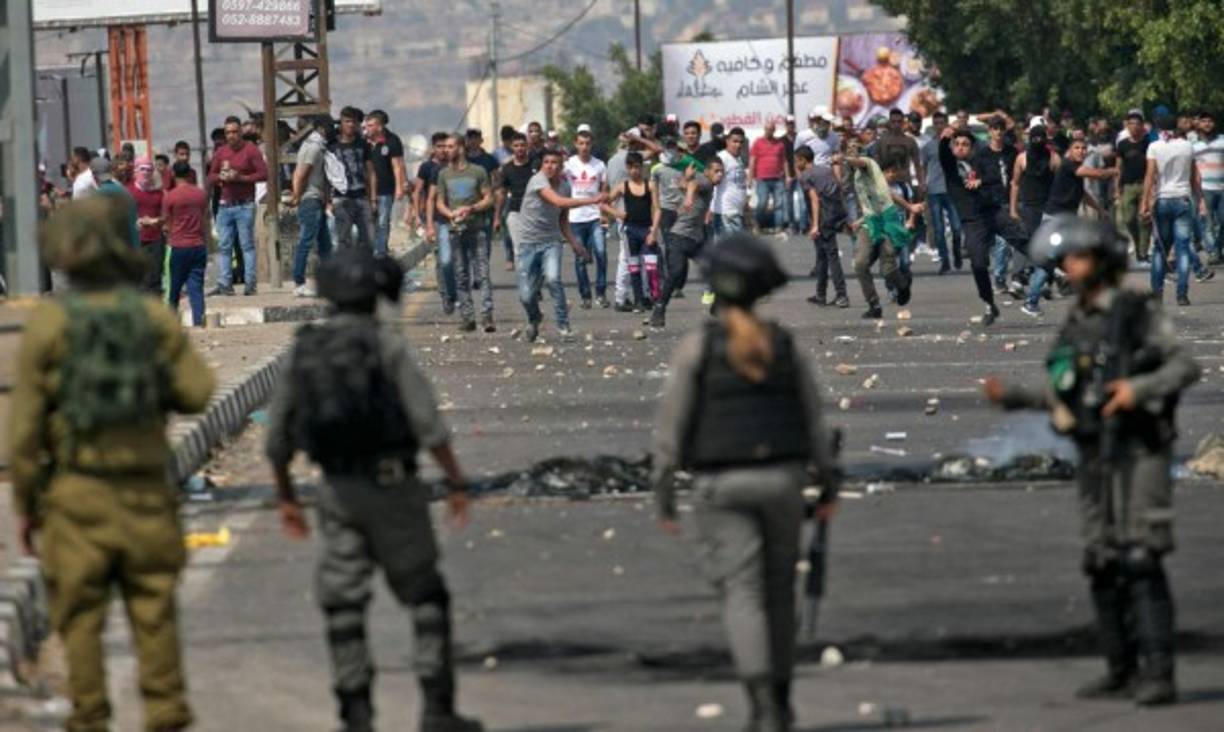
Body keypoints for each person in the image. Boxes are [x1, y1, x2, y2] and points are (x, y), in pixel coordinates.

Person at [10, 195, 215, 732]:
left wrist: (27, 507)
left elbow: (25, 432)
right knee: (153, 612)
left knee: (79, 619)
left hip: (75, 496)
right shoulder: (150, 317)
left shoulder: (49, 326)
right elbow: (197, 392)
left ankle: (91, 716)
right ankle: (166, 714)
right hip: (146, 492)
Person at [984, 215, 1200, 708]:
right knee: (1101, 558)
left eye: (1078, 258)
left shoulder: (1133, 311)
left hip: (1138, 448)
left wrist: (1136, 389)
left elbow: (1184, 365)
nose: (1069, 266)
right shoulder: (1077, 321)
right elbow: (1068, 390)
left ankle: (1159, 673)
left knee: (1141, 557)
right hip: (1093, 449)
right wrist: (1013, 396)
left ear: (1102, 262)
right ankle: (1120, 667)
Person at [265, 249, 483, 732]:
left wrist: (286, 498)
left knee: (343, 603)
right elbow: (429, 424)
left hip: (337, 493)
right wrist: (456, 482)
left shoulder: (305, 348)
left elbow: (277, 440)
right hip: (394, 489)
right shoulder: (387, 345)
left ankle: (355, 713)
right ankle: (437, 710)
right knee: (425, 594)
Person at [652, 234, 839, 732]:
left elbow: (671, 429)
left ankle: (761, 705)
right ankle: (781, 698)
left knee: (743, 592)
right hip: (784, 479)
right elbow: (813, 420)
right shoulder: (783, 344)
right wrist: (829, 483)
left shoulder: (698, 347)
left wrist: (663, 492)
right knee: (780, 590)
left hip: (721, 483)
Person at [939, 124, 1028, 325]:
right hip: (972, 221)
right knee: (978, 263)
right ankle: (989, 304)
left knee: (1023, 239)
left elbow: (996, 178)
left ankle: (1052, 270)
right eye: (958, 144)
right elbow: (944, 155)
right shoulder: (951, 168)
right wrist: (945, 140)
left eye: (965, 144)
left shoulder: (980, 161)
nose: (961, 147)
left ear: (971, 148)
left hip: (992, 212)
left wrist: (982, 181)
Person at [1019, 137, 1119, 316]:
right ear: (1070, 151)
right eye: (1077, 148)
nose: (1081, 151)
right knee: (1060, 258)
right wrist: (1114, 170)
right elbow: (1096, 174)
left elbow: (1082, 194)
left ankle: (1037, 294)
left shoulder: (1074, 170)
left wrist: (1100, 210)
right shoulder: (1068, 165)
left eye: (1083, 148)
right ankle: (1034, 292)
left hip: (1064, 220)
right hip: (1055, 220)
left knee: (1054, 261)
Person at [515, 149, 601, 342]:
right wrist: (593, 200)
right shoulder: (538, 181)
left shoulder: (564, 186)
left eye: (555, 162)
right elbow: (558, 201)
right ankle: (534, 318)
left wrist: (574, 243)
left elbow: (563, 219)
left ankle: (563, 326)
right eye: (546, 162)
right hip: (528, 243)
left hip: (551, 242)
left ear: (561, 167)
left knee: (554, 280)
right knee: (526, 295)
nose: (550, 166)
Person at [1142, 114, 1210, 306]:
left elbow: (1149, 176)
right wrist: (1200, 200)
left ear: (1157, 128)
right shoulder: (1187, 146)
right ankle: (1182, 294)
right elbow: (1195, 177)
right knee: (1182, 249)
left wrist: (1144, 202)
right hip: (1183, 200)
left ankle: (1156, 294)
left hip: (1163, 200)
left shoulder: (1154, 147)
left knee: (1159, 249)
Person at [844, 137, 916, 319]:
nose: (852, 151)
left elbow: (856, 161)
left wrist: (910, 208)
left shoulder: (868, 163)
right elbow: (886, 196)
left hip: (887, 222)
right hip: (870, 223)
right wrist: (859, 221)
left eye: (856, 148)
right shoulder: (857, 176)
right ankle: (874, 305)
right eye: (849, 148)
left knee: (887, 269)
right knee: (860, 264)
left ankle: (902, 284)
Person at [650, 158, 724, 329]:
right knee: (675, 273)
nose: (719, 175)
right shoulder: (705, 181)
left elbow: (683, 184)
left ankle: (718, 304)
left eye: (722, 171)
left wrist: (686, 179)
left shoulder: (705, 181)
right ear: (707, 171)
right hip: (679, 237)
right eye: (716, 171)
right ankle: (659, 308)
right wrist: (689, 195)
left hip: (695, 239)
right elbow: (693, 186)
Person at [434, 134, 495, 333]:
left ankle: (487, 316)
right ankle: (468, 318)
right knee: (460, 275)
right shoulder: (444, 174)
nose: (446, 150)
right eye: (444, 147)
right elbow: (439, 202)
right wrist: (450, 213)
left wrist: (472, 208)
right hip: (455, 231)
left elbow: (489, 198)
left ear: (460, 148)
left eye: (450, 146)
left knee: (482, 274)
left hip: (476, 229)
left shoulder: (478, 171)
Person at [207, 115, 268, 296]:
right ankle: (225, 283)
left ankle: (250, 283)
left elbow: (264, 174)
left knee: (246, 245)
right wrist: (221, 178)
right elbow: (211, 175)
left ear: (240, 132)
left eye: (234, 132)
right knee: (224, 246)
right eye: (228, 133)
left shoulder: (251, 150)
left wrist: (241, 178)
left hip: (245, 205)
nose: (231, 136)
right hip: (225, 205)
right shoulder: (221, 152)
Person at [796, 146, 849, 307]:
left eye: (796, 160)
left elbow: (814, 200)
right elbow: (838, 186)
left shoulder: (806, 176)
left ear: (803, 160)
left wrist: (814, 225)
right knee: (821, 256)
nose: (795, 163)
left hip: (823, 218)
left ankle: (842, 295)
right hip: (834, 214)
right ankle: (821, 294)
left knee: (831, 256)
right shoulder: (825, 170)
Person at [603, 151, 655, 311]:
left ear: (642, 167)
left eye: (638, 167)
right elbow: (604, 203)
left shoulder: (650, 185)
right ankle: (631, 299)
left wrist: (654, 228)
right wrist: (617, 214)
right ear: (627, 168)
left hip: (646, 229)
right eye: (631, 167)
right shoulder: (623, 186)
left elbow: (656, 207)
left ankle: (651, 297)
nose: (635, 171)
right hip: (629, 229)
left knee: (650, 264)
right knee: (631, 264)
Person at [289, 115, 334, 298]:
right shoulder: (314, 148)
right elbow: (300, 175)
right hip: (310, 199)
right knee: (306, 241)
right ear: (321, 128)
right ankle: (299, 282)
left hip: (317, 199)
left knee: (325, 244)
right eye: (330, 127)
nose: (332, 130)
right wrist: (298, 197)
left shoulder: (318, 146)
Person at [564, 129, 610, 309]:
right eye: (581, 143)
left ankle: (601, 292)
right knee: (580, 257)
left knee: (600, 253)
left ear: (592, 145)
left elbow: (604, 190)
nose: (584, 147)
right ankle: (585, 296)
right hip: (575, 218)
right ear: (575, 144)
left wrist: (604, 213)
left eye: (587, 143)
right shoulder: (568, 165)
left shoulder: (599, 165)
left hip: (594, 216)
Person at [162, 161, 210, 327]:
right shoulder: (200, 194)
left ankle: (170, 324)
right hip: (198, 245)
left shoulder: (170, 196)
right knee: (196, 288)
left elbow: (167, 222)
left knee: (174, 289)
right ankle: (199, 321)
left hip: (179, 247)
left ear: (173, 174)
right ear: (190, 174)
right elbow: (204, 216)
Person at [330, 106, 378, 251]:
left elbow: (371, 172)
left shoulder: (362, 144)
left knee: (368, 239)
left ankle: (366, 271)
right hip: (341, 199)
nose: (350, 125)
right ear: (341, 123)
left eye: (354, 122)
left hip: (361, 198)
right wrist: (327, 200)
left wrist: (373, 200)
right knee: (343, 241)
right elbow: (326, 174)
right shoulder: (332, 146)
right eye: (347, 121)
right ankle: (345, 272)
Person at [921, 111, 963, 272]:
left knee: (957, 227)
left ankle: (957, 253)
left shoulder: (955, 143)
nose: (939, 126)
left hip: (952, 190)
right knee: (938, 229)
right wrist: (923, 183)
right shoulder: (928, 146)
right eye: (936, 123)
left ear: (946, 124)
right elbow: (923, 166)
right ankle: (945, 260)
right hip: (934, 190)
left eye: (941, 123)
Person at [365, 109, 406, 257]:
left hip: (386, 188)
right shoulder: (364, 141)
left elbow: (398, 166)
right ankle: (369, 250)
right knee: (369, 221)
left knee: (383, 221)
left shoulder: (392, 140)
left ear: (379, 127)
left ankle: (380, 252)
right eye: (366, 125)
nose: (367, 128)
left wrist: (400, 187)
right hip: (367, 190)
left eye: (371, 125)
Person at [495, 132, 537, 271]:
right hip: (515, 212)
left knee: (535, 249)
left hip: (535, 212)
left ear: (527, 147)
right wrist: (497, 218)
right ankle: (525, 285)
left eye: (522, 145)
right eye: (516, 146)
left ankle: (534, 279)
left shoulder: (536, 165)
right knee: (520, 251)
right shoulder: (507, 169)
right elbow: (501, 193)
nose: (520, 148)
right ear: (512, 148)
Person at [1115, 111, 1153, 262]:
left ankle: (1143, 251)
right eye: (1131, 124)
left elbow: (1153, 165)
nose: (1135, 127)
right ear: (1127, 125)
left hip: (1145, 184)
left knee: (1144, 219)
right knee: (1128, 219)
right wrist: (1117, 190)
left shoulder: (1148, 143)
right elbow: (1118, 168)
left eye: (1138, 124)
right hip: (1128, 186)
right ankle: (1137, 244)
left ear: (1142, 126)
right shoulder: (1122, 144)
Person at [126, 156, 166, 296]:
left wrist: (155, 221)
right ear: (136, 171)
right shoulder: (128, 191)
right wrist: (135, 222)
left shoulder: (158, 193)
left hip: (155, 240)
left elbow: (166, 217)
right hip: (135, 241)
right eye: (142, 169)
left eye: (149, 170)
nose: (146, 173)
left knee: (154, 278)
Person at [1191, 110, 1223, 264]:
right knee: (1207, 222)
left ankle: (1217, 250)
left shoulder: (1223, 140)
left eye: (1210, 121)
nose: (1207, 124)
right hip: (1204, 188)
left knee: (1222, 221)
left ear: (1214, 123)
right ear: (1198, 124)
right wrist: (1197, 194)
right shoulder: (1193, 146)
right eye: (1204, 121)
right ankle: (1213, 253)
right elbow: (1192, 169)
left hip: (1222, 187)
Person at [749, 121, 789, 233]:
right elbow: (752, 161)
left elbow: (784, 161)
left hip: (778, 178)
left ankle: (778, 226)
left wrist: (788, 176)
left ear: (774, 130)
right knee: (762, 203)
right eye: (767, 129)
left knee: (779, 204)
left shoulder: (780, 144)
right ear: (764, 129)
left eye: (771, 129)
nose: (769, 131)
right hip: (762, 179)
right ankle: (757, 224)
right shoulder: (757, 142)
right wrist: (750, 178)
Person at [713, 128, 749, 237]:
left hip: (736, 212)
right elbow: (713, 182)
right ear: (727, 141)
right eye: (735, 141)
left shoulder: (738, 159)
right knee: (728, 251)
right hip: (725, 213)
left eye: (741, 142)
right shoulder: (722, 158)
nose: (738, 145)